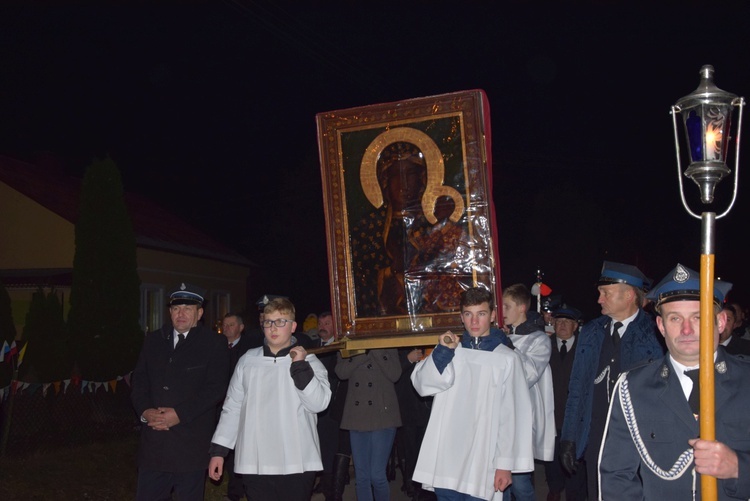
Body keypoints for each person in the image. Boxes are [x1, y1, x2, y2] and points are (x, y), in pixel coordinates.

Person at [599, 263, 750, 500]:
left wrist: (739, 468)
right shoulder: (633, 388)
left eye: (698, 317)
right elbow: (617, 476)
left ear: (720, 322)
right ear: (660, 325)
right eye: (675, 318)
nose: (687, 330)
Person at [411, 286, 534, 500]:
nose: (474, 322)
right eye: (468, 314)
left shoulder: (507, 358)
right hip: (448, 459)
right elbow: (423, 385)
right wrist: (442, 353)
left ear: (493, 316)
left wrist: (504, 464)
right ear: (461, 317)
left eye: (481, 314)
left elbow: (512, 415)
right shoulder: (451, 351)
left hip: (483, 460)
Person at [208, 297, 332, 500]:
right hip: (256, 461)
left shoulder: (309, 360)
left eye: (280, 322)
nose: (273, 328)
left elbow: (319, 403)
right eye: (268, 322)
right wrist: (219, 452)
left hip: (296, 461)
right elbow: (232, 408)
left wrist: (300, 367)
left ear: (292, 326)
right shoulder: (248, 360)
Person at [560, 261, 664, 500]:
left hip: (638, 438)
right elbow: (576, 388)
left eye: (605, 293)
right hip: (595, 434)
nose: (599, 300)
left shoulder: (655, 333)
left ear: (628, 295)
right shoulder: (590, 332)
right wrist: (569, 437)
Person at [131, 283, 230, 501]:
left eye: (188, 308)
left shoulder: (213, 343)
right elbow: (139, 380)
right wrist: (145, 411)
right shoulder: (154, 341)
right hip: (154, 446)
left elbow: (216, 388)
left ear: (200, 313)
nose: (181, 314)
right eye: (176, 309)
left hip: (190, 446)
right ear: (170, 312)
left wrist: (180, 414)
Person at [351, 140, 467, 317]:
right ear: (384, 181)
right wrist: (390, 274)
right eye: (396, 175)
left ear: (422, 179)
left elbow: (448, 266)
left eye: (410, 174)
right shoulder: (369, 227)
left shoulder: (433, 222)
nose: (403, 183)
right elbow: (361, 278)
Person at [502, 283, 555, 501]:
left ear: (522, 308)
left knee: (520, 484)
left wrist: (507, 346)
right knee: (499, 482)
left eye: (507, 306)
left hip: (522, 419)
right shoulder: (498, 336)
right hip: (499, 418)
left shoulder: (539, 339)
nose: (502, 311)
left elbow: (529, 374)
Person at [336, 347, 402, 501]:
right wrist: (363, 353)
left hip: (383, 414)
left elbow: (395, 374)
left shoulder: (386, 343)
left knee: (377, 475)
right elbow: (341, 372)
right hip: (357, 415)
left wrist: (375, 349)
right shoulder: (347, 344)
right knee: (362, 477)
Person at [544, 307, 587, 501]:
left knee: (574, 462)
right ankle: (554, 490)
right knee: (552, 461)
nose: (562, 325)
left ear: (576, 326)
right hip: (550, 416)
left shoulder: (585, 348)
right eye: (559, 321)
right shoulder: (544, 346)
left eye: (567, 322)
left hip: (575, 417)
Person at [220, 312, 258, 501]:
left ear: (241, 328)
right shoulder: (217, 348)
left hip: (242, 406)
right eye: (224, 325)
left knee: (239, 449)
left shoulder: (249, 350)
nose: (226, 328)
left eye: (231, 325)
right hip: (220, 406)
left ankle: (237, 490)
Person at [312, 311, 345, 500]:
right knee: (317, 444)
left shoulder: (340, 347)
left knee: (330, 446)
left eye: (327, 323)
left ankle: (331, 487)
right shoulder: (312, 347)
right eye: (320, 323)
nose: (322, 327)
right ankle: (322, 481)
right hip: (314, 404)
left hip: (333, 405)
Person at [394, 346, 433, 500]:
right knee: (409, 448)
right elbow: (393, 373)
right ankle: (410, 482)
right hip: (406, 404)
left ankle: (422, 484)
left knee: (424, 448)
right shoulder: (400, 347)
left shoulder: (429, 346)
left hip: (425, 405)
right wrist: (408, 359)